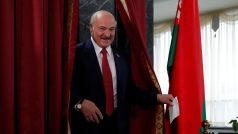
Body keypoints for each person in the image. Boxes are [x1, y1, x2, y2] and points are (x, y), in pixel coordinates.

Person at [70, 10, 174, 134]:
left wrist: (158, 97)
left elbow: (130, 91)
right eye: (102, 28)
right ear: (91, 28)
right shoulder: (76, 54)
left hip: (118, 127)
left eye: (112, 29)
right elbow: (61, 90)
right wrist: (80, 104)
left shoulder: (122, 56)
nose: (107, 34)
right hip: (87, 127)